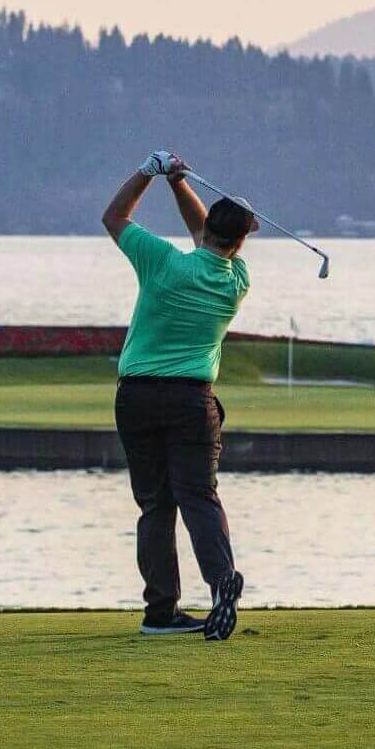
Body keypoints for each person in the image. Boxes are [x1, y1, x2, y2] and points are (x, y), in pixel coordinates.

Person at [102, 151, 254, 640]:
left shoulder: (162, 262)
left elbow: (114, 217)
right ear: (242, 240)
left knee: (155, 505)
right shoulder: (235, 281)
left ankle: (160, 612)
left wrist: (152, 173)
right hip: (192, 401)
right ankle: (220, 582)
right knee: (198, 496)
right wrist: (178, 185)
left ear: (211, 228)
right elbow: (206, 235)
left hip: (138, 398)